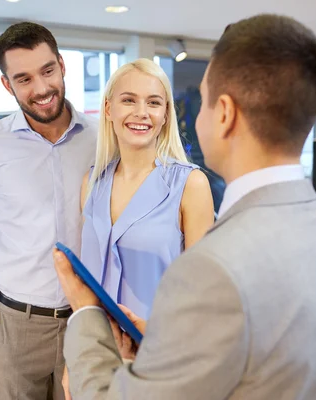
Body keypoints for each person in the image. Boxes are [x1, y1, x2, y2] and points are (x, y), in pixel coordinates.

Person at [52, 13, 316, 400]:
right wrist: (168, 343)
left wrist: (84, 320)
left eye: (200, 101)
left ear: (224, 113)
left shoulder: (213, 264)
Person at [0, 22, 97, 400]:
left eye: (47, 71)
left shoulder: (103, 138)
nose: (41, 89)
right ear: (7, 85)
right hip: (16, 326)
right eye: (24, 78)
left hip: (89, 319)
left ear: (62, 65)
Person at [80, 58, 215, 321]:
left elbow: (202, 293)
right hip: (94, 351)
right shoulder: (91, 183)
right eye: (129, 100)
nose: (142, 112)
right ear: (108, 109)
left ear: (165, 115)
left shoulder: (190, 185)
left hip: (159, 351)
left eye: (153, 102)